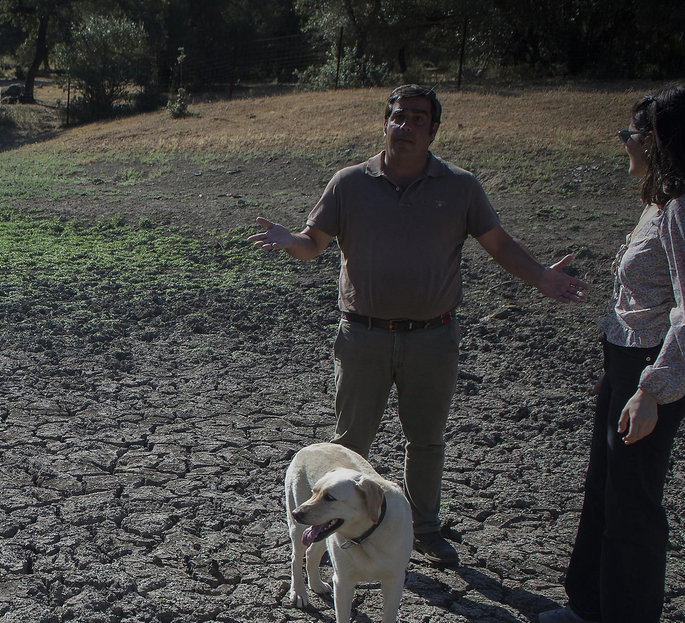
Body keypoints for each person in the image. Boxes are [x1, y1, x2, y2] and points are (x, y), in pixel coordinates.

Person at [249, 84, 590, 565]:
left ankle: (425, 528)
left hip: (432, 337)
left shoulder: (460, 187)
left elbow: (497, 242)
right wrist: (293, 241)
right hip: (362, 335)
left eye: (418, 119)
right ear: (384, 122)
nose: (406, 126)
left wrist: (540, 276)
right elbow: (314, 242)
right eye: (398, 116)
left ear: (433, 129)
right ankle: (342, 533)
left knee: (426, 440)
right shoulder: (348, 183)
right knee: (349, 445)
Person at [538, 85, 685, 623]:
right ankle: (593, 605)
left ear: (660, 141)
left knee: (634, 504)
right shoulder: (661, 200)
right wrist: (618, 368)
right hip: (627, 364)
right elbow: (645, 297)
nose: (625, 144)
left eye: (632, 134)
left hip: (654, 373)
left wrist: (652, 388)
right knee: (605, 488)